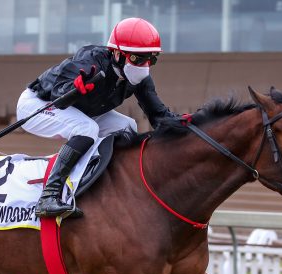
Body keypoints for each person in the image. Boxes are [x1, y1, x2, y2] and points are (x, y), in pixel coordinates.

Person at [17, 17, 175, 218]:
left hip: (81, 111)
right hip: (39, 104)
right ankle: (49, 196)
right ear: (117, 53)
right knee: (86, 129)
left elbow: (158, 116)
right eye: (137, 58)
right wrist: (74, 89)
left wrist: (187, 125)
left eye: (150, 59)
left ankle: (109, 187)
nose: (143, 66)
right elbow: (59, 96)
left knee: (127, 126)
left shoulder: (141, 78)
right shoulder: (90, 61)